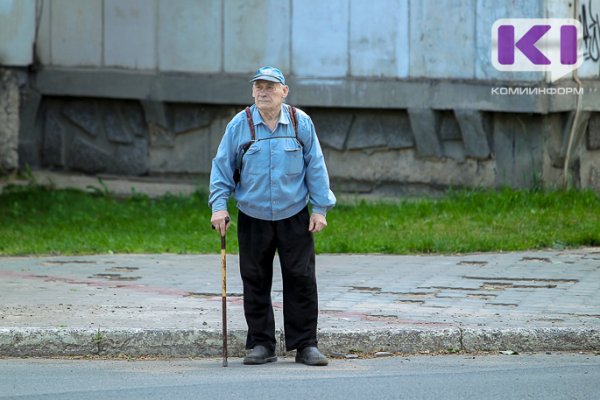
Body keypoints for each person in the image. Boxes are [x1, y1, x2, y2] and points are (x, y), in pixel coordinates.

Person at [209, 66, 336, 366]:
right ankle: (261, 344)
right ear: (253, 91)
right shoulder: (240, 125)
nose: (263, 92)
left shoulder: (298, 122)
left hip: (294, 214)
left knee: (301, 278)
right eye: (258, 87)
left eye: (270, 87)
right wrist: (218, 206)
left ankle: (306, 345)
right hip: (253, 215)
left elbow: (315, 166)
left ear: (284, 91)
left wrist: (319, 209)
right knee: (254, 279)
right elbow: (222, 166)